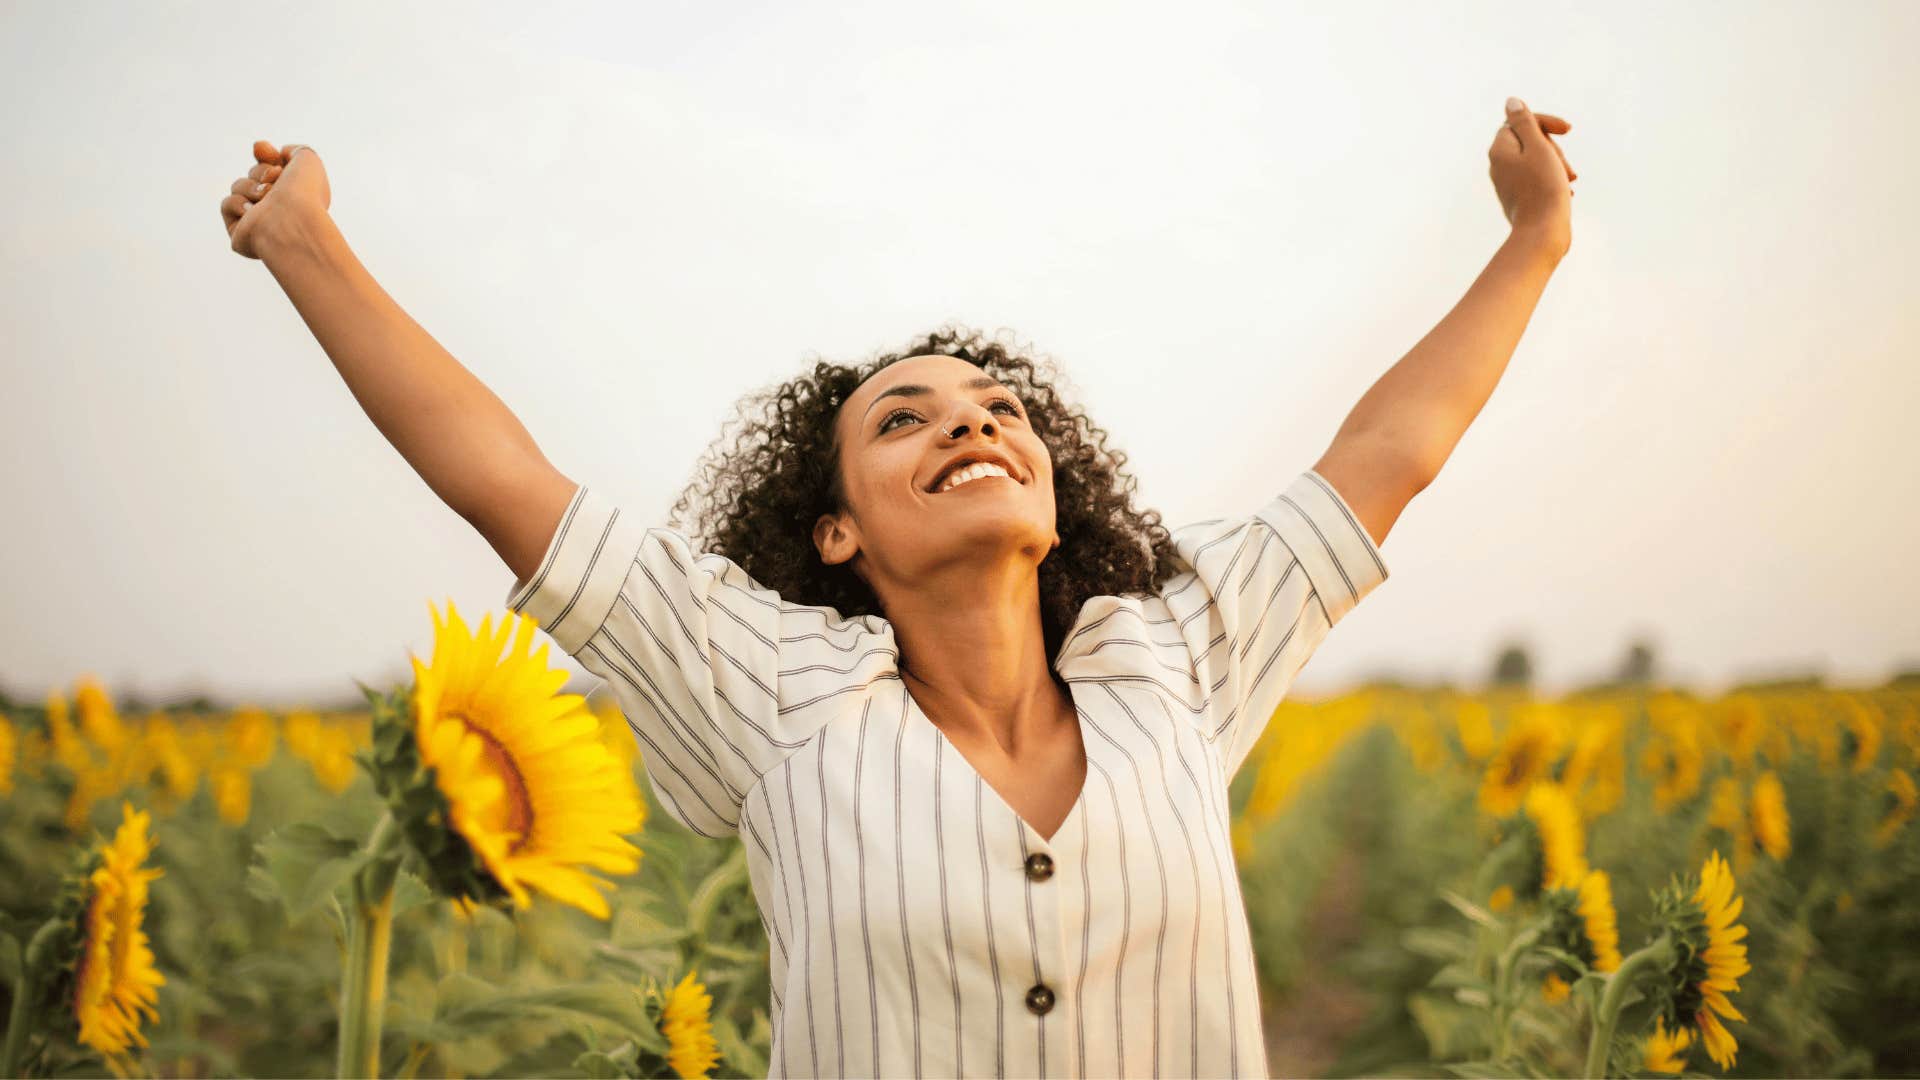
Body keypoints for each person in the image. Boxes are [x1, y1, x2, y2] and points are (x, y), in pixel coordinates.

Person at [222, 98, 1574, 1078]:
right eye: (904, 422)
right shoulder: (772, 697)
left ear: (1055, 491)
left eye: (998, 411)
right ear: (832, 535)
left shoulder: (1175, 655)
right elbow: (505, 484)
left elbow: (1389, 456)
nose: (972, 427)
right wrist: (307, 246)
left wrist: (1534, 239)